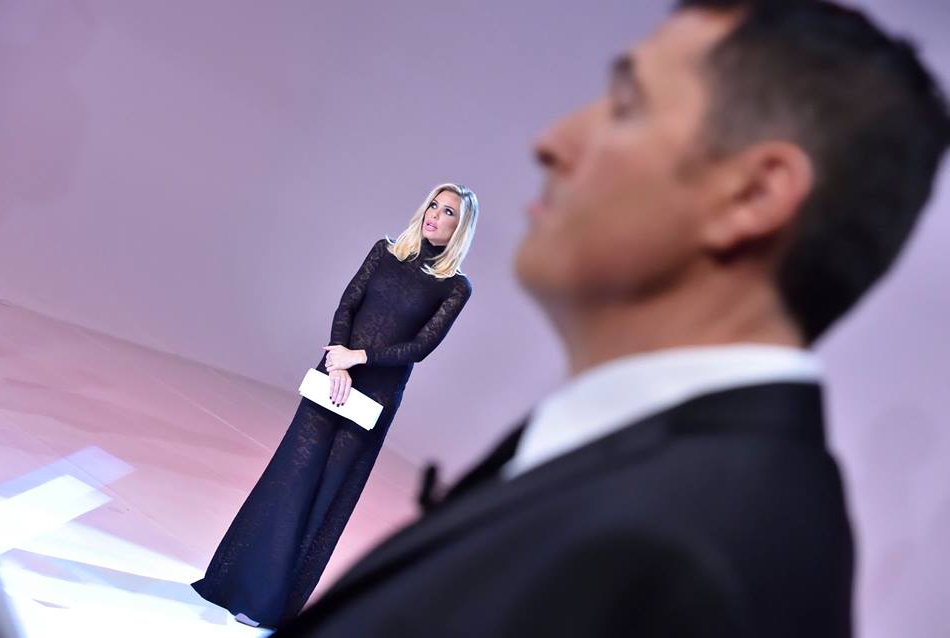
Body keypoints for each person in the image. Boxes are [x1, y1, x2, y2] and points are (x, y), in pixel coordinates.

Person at [272, 1, 950, 637]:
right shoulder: (663, 476)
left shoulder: (701, 558)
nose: (551, 142)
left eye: (626, 105)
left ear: (754, 195)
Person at [191, 183, 478, 628]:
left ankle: (271, 606)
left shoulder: (455, 287)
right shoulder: (384, 252)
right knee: (289, 479)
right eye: (434, 206)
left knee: (325, 496)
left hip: (373, 397)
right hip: (333, 377)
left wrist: (357, 358)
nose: (435, 216)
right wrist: (337, 362)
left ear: (460, 229)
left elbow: (420, 347)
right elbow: (348, 304)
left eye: (448, 213)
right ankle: (233, 584)